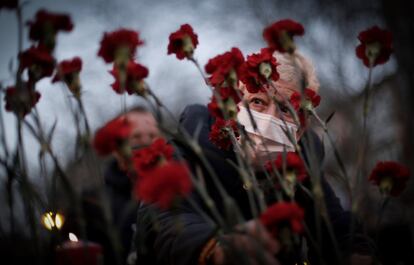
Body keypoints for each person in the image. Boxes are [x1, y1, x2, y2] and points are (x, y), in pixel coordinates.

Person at [134, 51, 374, 265]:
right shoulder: (191, 147)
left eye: (285, 109)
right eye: (258, 101)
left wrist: (354, 252)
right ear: (235, 105)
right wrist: (214, 249)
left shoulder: (303, 167)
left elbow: (335, 225)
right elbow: (160, 217)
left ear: (301, 127)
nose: (270, 118)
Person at [103, 106, 160, 263]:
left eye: (152, 135)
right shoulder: (97, 203)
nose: (146, 142)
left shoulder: (176, 191)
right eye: (136, 137)